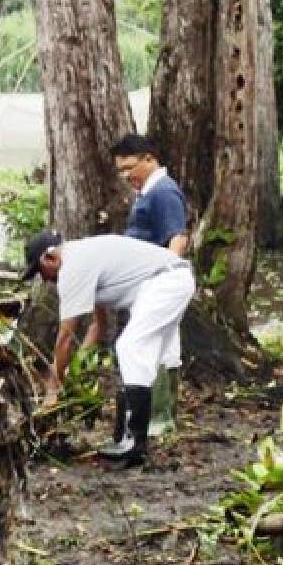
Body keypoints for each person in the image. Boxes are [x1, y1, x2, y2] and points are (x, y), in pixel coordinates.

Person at [23, 230, 195, 467]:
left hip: (164, 282)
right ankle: (125, 436)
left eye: (41, 273)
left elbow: (64, 337)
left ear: (49, 258)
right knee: (142, 356)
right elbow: (98, 325)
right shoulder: (84, 256)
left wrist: (54, 389)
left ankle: (134, 442)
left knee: (130, 347)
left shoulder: (72, 266)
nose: (46, 280)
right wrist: (76, 372)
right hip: (171, 280)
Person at [110, 133, 188, 436]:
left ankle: (154, 421)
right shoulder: (149, 192)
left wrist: (164, 279)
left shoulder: (163, 192)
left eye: (129, 168)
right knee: (162, 347)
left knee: (139, 345)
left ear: (149, 159)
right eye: (120, 171)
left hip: (159, 283)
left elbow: (177, 239)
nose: (126, 176)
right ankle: (160, 419)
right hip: (148, 284)